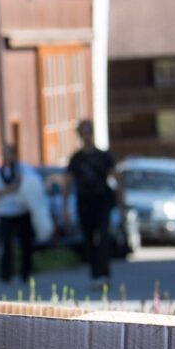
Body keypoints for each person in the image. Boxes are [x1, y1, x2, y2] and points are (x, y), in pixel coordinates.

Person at [66, 120, 120, 281]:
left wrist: (121, 204)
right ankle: (95, 274)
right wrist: (65, 209)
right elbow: (67, 183)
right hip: (84, 202)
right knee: (88, 240)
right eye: (84, 133)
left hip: (102, 201)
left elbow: (116, 178)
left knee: (103, 238)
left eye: (89, 132)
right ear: (80, 136)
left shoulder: (103, 156)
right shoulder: (76, 159)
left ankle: (104, 273)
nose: (87, 136)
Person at [0, 144, 40, 283]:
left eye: (9, 153)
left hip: (22, 211)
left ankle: (26, 273)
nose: (7, 157)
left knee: (26, 244)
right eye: (4, 154)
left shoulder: (23, 169)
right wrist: (11, 188)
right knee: (6, 244)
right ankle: (6, 274)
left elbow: (32, 185)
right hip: (5, 213)